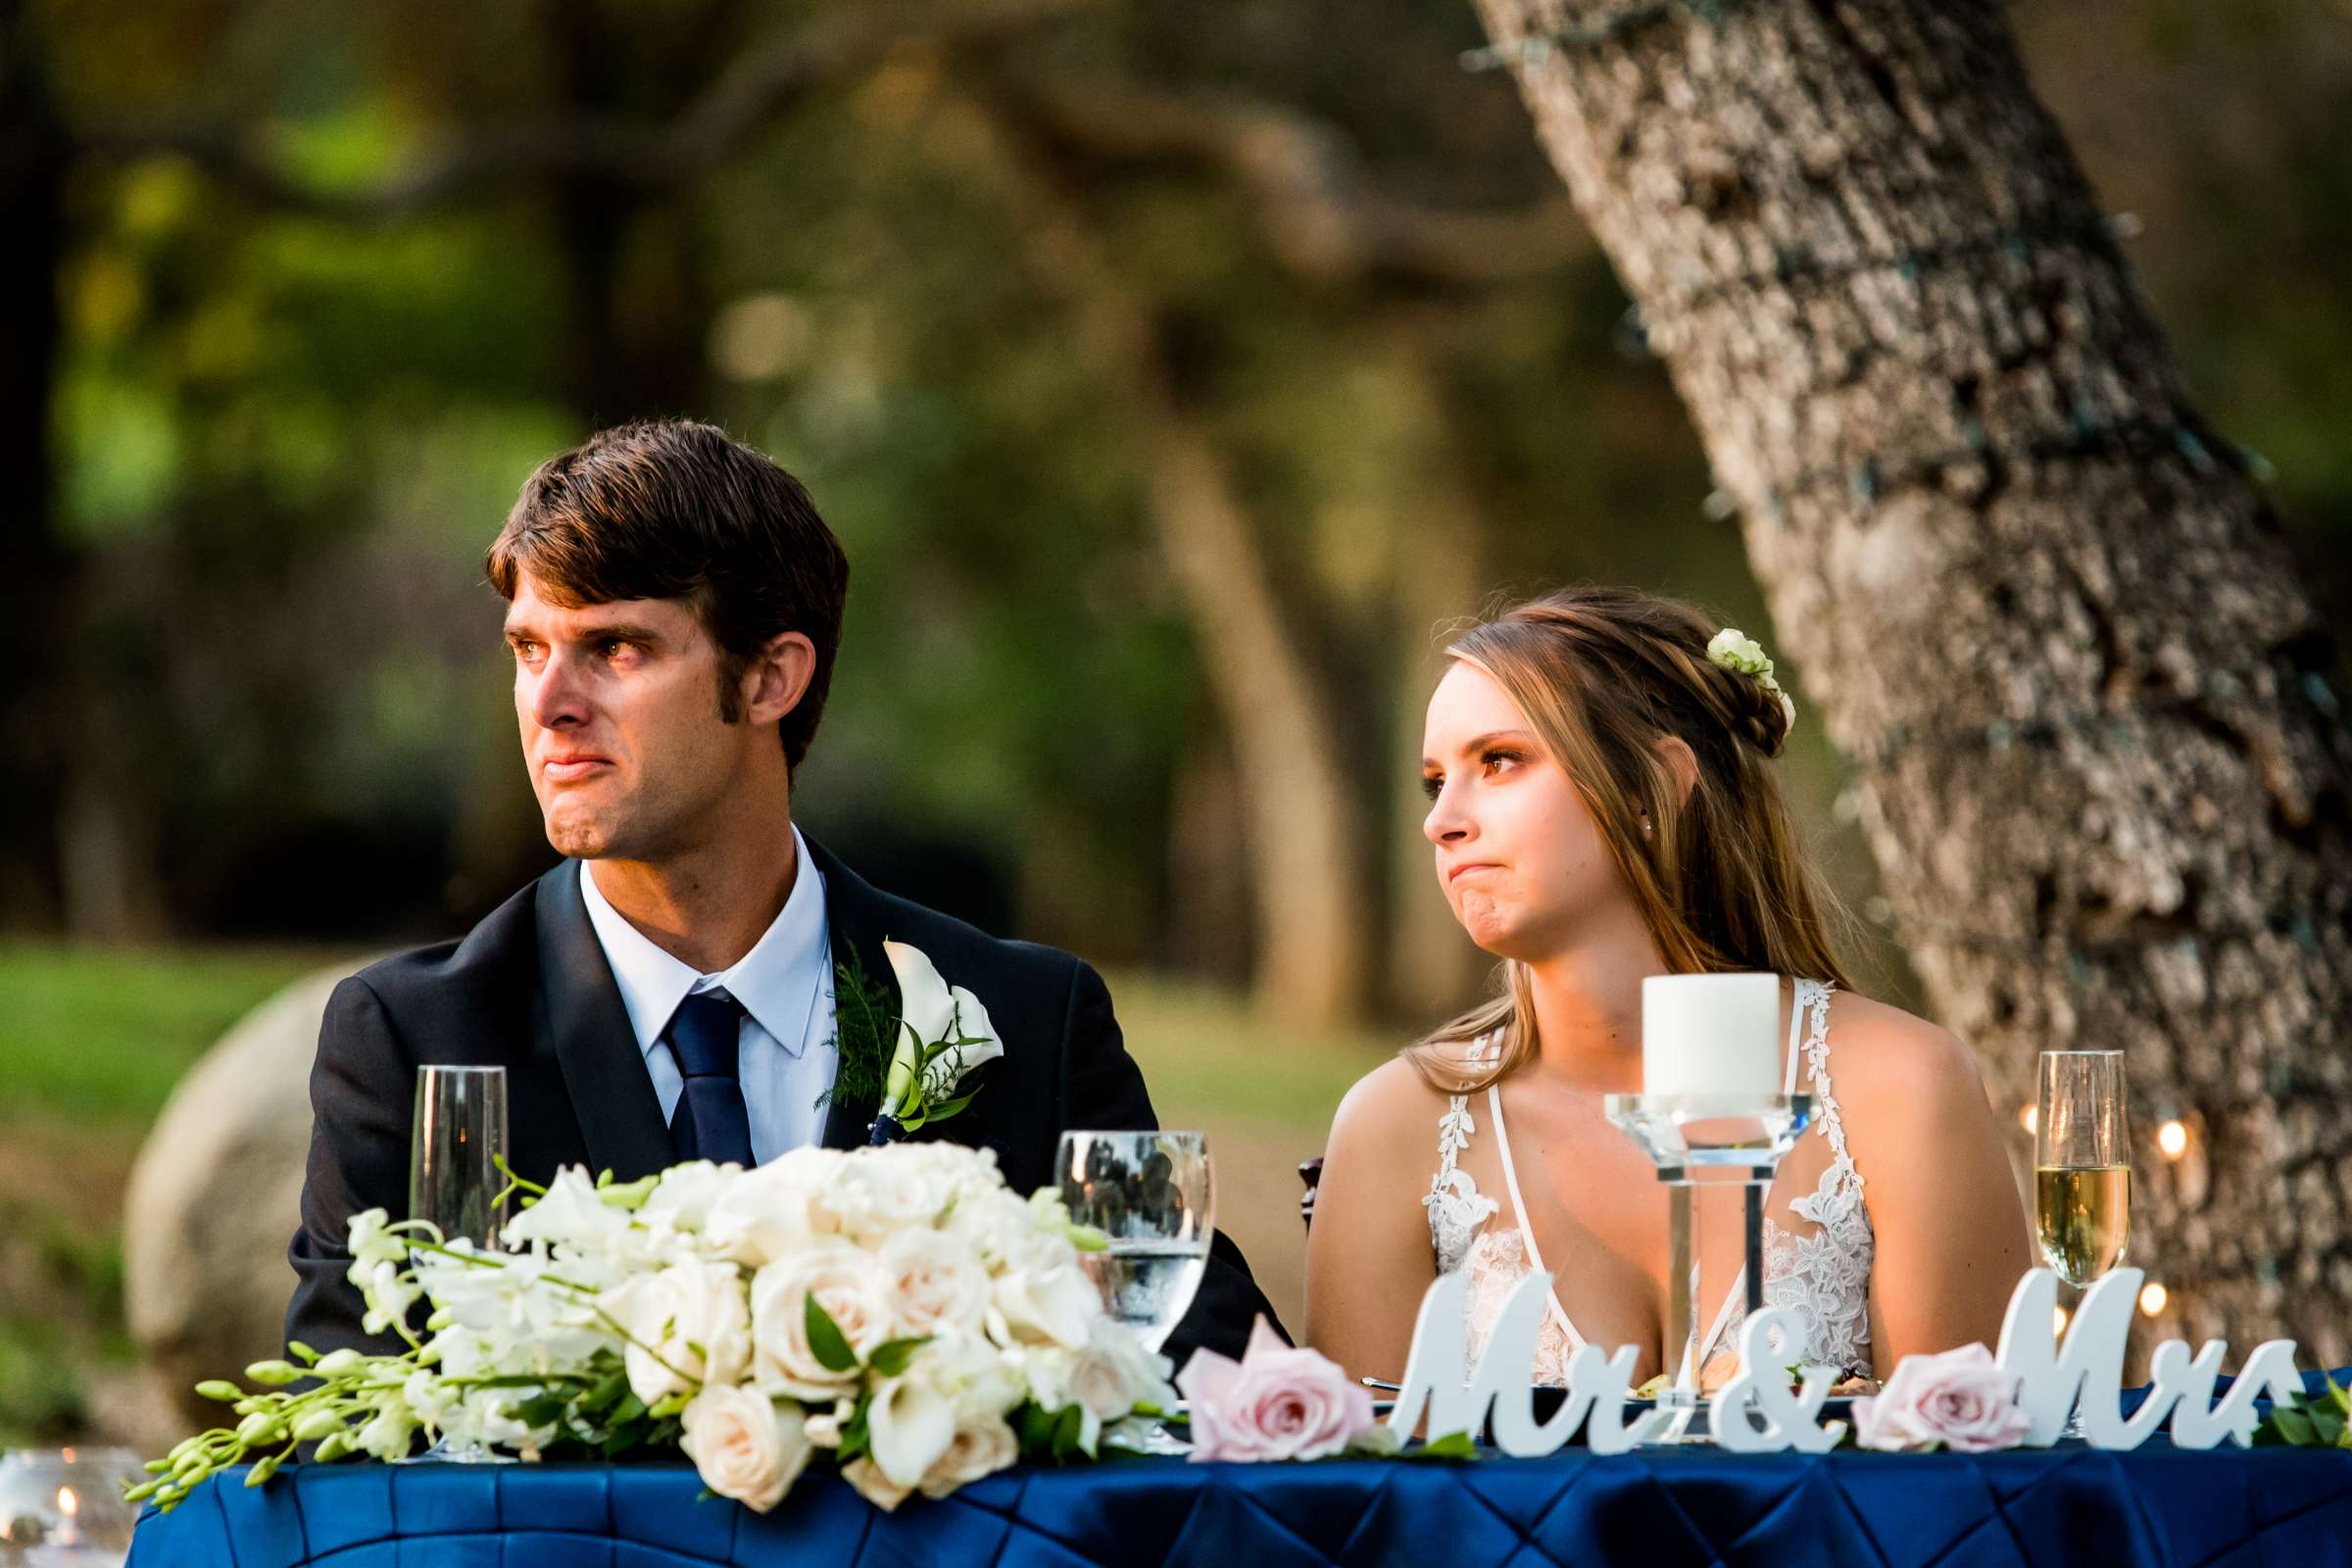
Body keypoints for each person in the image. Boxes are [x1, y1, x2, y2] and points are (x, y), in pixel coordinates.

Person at [284, 418, 1279, 1372]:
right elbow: (346, 1441)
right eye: (529, 649)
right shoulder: (415, 1042)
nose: (549, 704)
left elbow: (1216, 1366)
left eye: (615, 648)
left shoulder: (1027, 1022)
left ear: (770, 678)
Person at [1305, 587, 2027, 1391]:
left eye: (1500, 761)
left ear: (1655, 783)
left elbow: (1968, 1485)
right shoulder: (1395, 1126)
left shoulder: (1900, 1090)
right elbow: (1365, 1498)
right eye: (1437, 782)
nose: (1442, 821)